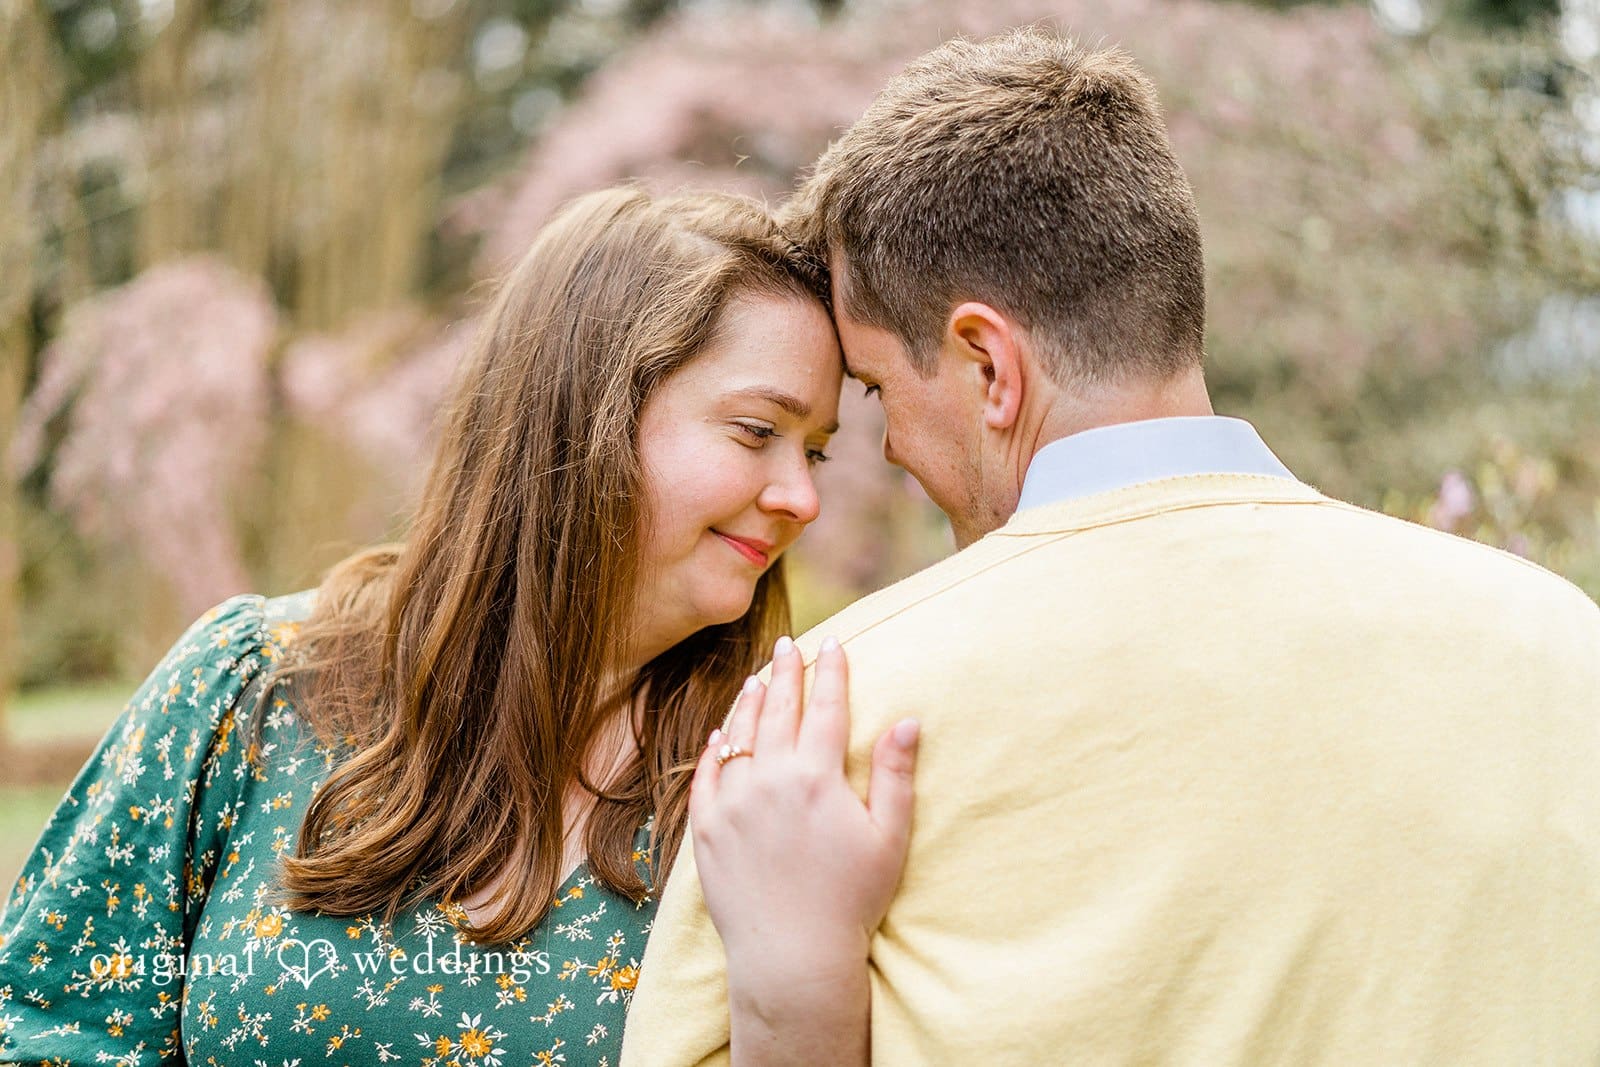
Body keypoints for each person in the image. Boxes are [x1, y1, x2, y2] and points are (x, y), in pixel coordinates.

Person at [621, 29, 1600, 1066]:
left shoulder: (828, 719)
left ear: (987, 364)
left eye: (875, 392)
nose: (890, 449)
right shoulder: (1561, 645)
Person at [0, 187, 918, 1065]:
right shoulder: (253, 684)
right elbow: (48, 1026)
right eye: (758, 431)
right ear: (581, 415)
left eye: (818, 451)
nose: (802, 498)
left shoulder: (761, 779)